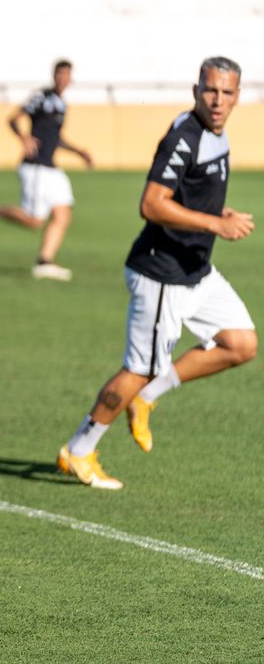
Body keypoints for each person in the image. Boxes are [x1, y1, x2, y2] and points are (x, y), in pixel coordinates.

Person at [58, 57, 255, 490]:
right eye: (210, 90)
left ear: (238, 95)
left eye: (226, 92)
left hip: (195, 270)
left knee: (240, 343)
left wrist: (215, 212)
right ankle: (79, 449)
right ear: (195, 90)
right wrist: (215, 224)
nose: (217, 100)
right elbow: (151, 204)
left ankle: (146, 399)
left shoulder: (215, 134)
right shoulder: (184, 137)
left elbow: (189, 195)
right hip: (162, 273)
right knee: (139, 368)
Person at [0, 60, 94, 281]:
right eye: (59, 74)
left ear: (71, 79)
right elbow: (13, 119)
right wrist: (23, 137)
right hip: (36, 168)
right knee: (34, 221)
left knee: (63, 214)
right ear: (54, 76)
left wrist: (78, 151)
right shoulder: (41, 97)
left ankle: (45, 262)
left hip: (51, 168)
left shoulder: (62, 104)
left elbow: (55, 138)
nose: (62, 79)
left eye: (66, 75)